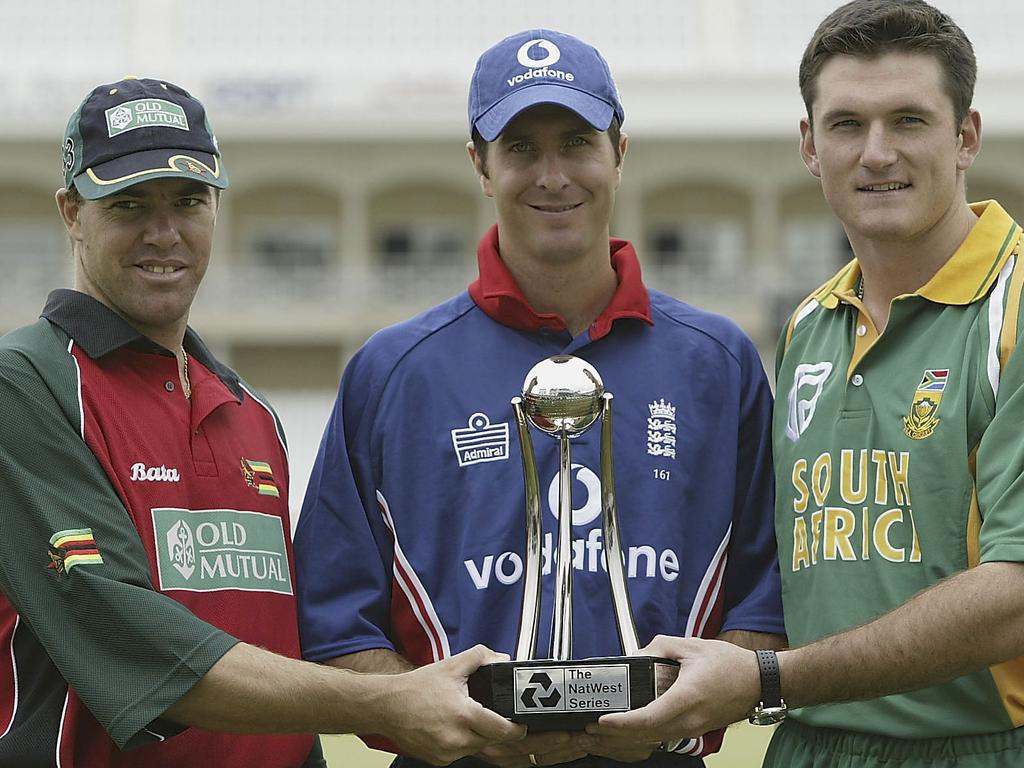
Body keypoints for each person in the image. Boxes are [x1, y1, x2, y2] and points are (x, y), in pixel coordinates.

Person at [0, 76, 525, 768]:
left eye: (188, 201)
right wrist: (384, 702)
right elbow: (129, 636)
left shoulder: (252, 415)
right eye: (128, 204)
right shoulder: (27, 384)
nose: (164, 233)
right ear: (72, 211)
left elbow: (280, 655)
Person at [294, 29, 785, 768]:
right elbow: (335, 624)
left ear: (621, 151)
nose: (553, 176)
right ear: (480, 166)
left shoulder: (718, 363)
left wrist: (693, 698)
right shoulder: (392, 371)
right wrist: (426, 712)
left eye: (577, 141)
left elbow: (768, 598)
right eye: (521, 148)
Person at [590, 1, 1024, 766]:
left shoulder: (1015, 304)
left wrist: (765, 678)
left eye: (910, 121)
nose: (878, 153)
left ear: (966, 139)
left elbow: (1012, 602)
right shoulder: (809, 327)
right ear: (810, 146)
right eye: (848, 124)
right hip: (809, 746)